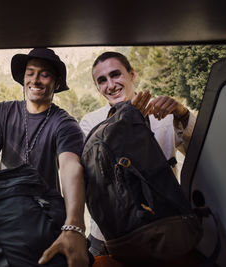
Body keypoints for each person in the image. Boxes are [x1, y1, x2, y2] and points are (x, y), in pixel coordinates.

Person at [0, 48, 89, 267]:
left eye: (44, 74)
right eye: (30, 72)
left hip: (44, 218)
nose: (35, 80)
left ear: (56, 83)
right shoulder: (2, 112)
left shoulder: (65, 124)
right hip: (3, 213)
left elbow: (70, 167)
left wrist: (74, 226)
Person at [79, 51, 196, 258]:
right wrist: (127, 119)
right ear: (97, 87)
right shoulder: (90, 122)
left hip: (165, 225)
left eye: (116, 74)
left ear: (132, 74)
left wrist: (183, 114)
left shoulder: (164, 114)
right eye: (102, 80)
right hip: (110, 234)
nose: (111, 84)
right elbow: (95, 168)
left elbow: (197, 151)